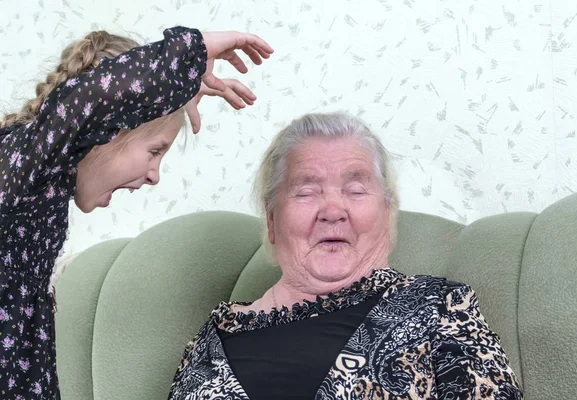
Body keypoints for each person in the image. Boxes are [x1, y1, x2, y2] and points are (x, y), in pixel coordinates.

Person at [0, 26, 273, 399]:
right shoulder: (18, 166)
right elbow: (88, 99)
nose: (153, 176)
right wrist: (183, 59)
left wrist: (170, 93)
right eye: (156, 150)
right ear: (107, 128)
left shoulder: (38, 192)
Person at [168, 112, 523, 399]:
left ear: (387, 212)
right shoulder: (212, 338)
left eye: (355, 190)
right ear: (273, 219)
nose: (333, 210)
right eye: (306, 192)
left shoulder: (438, 307)